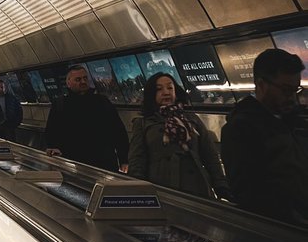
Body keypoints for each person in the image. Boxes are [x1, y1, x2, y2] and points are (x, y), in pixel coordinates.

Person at [221, 48, 308, 226]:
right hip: (283, 232)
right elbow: (249, 194)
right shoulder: (240, 130)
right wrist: (293, 218)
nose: (292, 98)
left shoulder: (297, 122)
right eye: (285, 90)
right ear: (261, 85)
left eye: (295, 90)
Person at [128, 73, 227, 200]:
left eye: (170, 88)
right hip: (162, 188)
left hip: (197, 187)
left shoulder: (191, 119)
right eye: (159, 89)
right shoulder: (143, 123)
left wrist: (220, 184)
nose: (166, 92)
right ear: (151, 94)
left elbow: (209, 154)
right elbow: (137, 160)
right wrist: (138, 191)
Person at [44, 64, 129, 171]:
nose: (83, 82)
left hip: (104, 162)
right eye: (78, 79)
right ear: (68, 83)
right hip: (73, 164)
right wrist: (53, 147)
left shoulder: (102, 101)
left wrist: (123, 159)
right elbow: (51, 131)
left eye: (85, 78)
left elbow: (118, 131)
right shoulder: (60, 105)